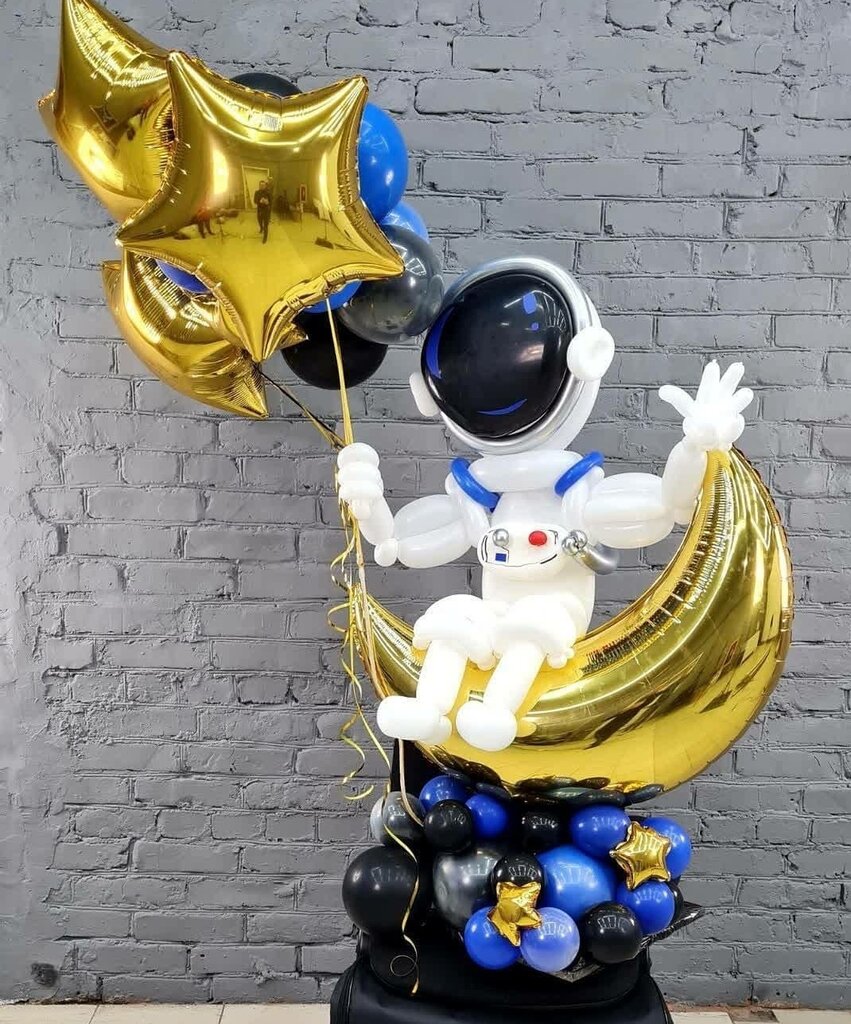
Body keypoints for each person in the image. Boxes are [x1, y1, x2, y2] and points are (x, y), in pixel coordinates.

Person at [336, 257, 753, 753]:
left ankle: (498, 712)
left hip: (557, 609)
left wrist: (694, 447)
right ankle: (429, 710)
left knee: (532, 628)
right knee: (455, 616)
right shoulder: (478, 498)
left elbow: (663, 506)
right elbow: (399, 544)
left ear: (584, 357)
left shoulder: (577, 495)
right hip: (496, 606)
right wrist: (370, 506)